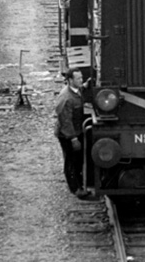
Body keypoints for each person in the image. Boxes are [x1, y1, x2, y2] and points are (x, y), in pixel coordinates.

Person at [54, 68, 89, 198]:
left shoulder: (76, 90)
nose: (81, 80)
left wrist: (85, 85)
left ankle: (79, 185)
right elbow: (65, 121)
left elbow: (80, 90)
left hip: (76, 130)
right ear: (70, 80)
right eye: (78, 79)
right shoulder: (65, 98)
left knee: (78, 160)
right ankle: (75, 189)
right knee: (71, 162)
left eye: (82, 78)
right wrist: (73, 139)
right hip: (67, 134)